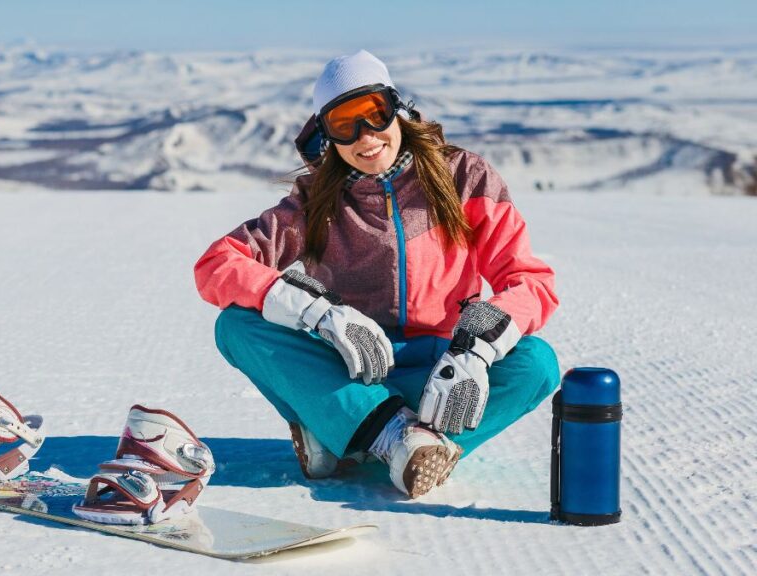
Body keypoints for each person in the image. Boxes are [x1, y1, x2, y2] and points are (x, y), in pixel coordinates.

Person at [194, 50, 560, 499]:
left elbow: (530, 282)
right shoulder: (315, 201)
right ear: (326, 134)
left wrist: (476, 348)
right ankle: (394, 440)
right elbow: (217, 264)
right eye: (344, 124)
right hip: (352, 370)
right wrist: (317, 312)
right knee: (236, 326)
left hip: (441, 372)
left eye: (373, 113)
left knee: (537, 365)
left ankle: (345, 430)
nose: (364, 137)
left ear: (397, 109)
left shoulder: (465, 178)